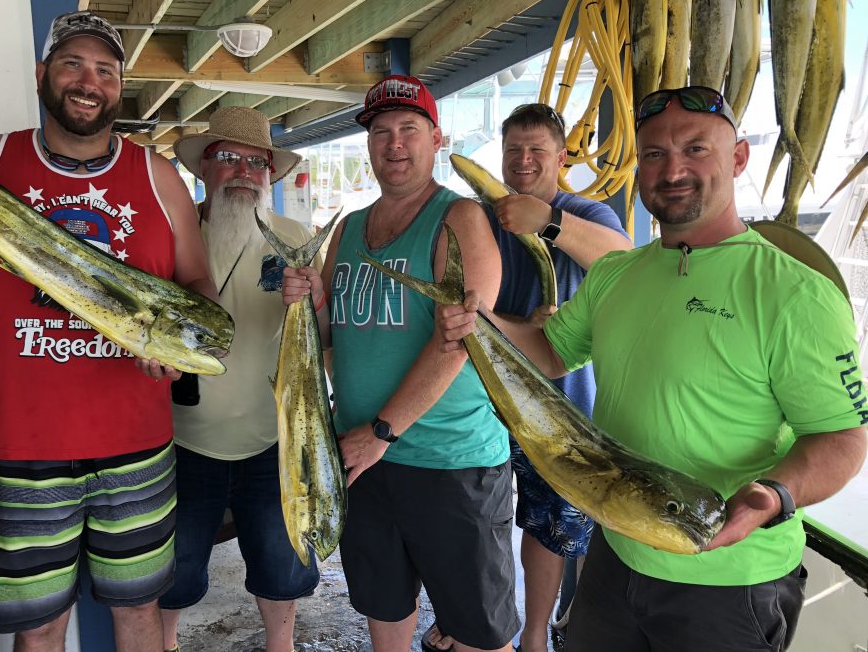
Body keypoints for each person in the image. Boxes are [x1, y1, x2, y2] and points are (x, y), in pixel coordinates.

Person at [436, 86, 867, 652]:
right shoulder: (618, 273)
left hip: (729, 579)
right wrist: (475, 321)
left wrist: (775, 494)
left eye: (696, 149)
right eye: (656, 154)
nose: (674, 169)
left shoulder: (794, 293)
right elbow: (548, 352)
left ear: (738, 157)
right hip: (614, 559)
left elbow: (841, 437)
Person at [0, 11, 216, 652]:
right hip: (22, 443)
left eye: (105, 71)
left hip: (137, 442)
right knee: (40, 627)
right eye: (72, 64)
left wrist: (174, 350)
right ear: (42, 75)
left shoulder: (158, 175)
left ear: (120, 86)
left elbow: (197, 284)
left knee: (140, 613)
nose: (89, 82)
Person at [282, 74, 519, 652]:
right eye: (381, 132)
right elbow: (329, 334)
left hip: (448, 460)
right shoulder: (349, 229)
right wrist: (306, 302)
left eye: (409, 130)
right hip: (364, 457)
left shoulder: (459, 218)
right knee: (383, 605)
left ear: (436, 139)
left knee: (477, 628)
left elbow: (462, 343)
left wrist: (383, 431)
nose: (394, 144)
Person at [423, 103, 632, 652]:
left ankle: (535, 636)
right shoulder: (476, 217)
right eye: (513, 149)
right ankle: (460, 616)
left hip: (560, 403)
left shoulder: (588, 214)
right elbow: (457, 301)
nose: (523, 160)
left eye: (537, 150)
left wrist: (547, 222)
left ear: (560, 157)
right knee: (466, 515)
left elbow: (625, 261)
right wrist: (523, 325)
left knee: (549, 526)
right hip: (482, 396)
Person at [156, 106, 319, 652]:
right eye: (228, 158)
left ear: (270, 173)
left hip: (271, 438)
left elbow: (321, 337)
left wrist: (314, 300)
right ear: (204, 166)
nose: (244, 170)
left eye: (257, 161)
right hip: (179, 439)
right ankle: (167, 644)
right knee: (170, 570)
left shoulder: (298, 239)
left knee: (282, 564)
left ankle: (282, 646)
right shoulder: (171, 234)